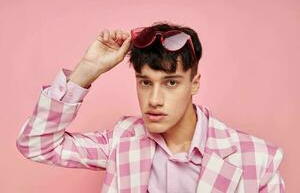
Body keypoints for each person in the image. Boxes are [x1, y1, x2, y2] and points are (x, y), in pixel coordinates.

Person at [16, 21, 285, 192]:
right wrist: (87, 71)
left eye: (170, 83)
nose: (154, 99)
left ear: (194, 83)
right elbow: (37, 144)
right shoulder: (123, 141)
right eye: (145, 82)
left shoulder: (257, 160)